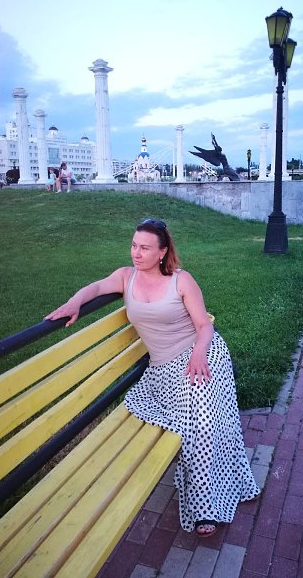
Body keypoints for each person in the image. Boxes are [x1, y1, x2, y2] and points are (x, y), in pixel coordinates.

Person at [45, 218, 260, 537]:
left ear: (162, 252)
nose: (136, 252)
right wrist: (75, 301)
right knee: (193, 419)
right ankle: (208, 482)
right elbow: (97, 287)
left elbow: (204, 326)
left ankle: (204, 508)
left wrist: (200, 352)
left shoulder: (181, 280)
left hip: (201, 355)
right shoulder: (126, 277)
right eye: (134, 245)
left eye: (145, 248)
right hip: (163, 370)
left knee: (202, 422)